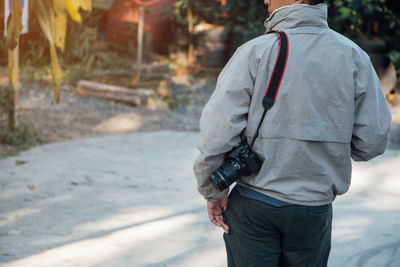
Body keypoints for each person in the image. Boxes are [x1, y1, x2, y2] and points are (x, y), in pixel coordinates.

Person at [193, 0, 392, 266]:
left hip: (254, 204)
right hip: (313, 209)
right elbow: (373, 141)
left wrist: (213, 191)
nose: (265, 0)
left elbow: (217, 133)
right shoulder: (353, 56)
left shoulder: (255, 52)